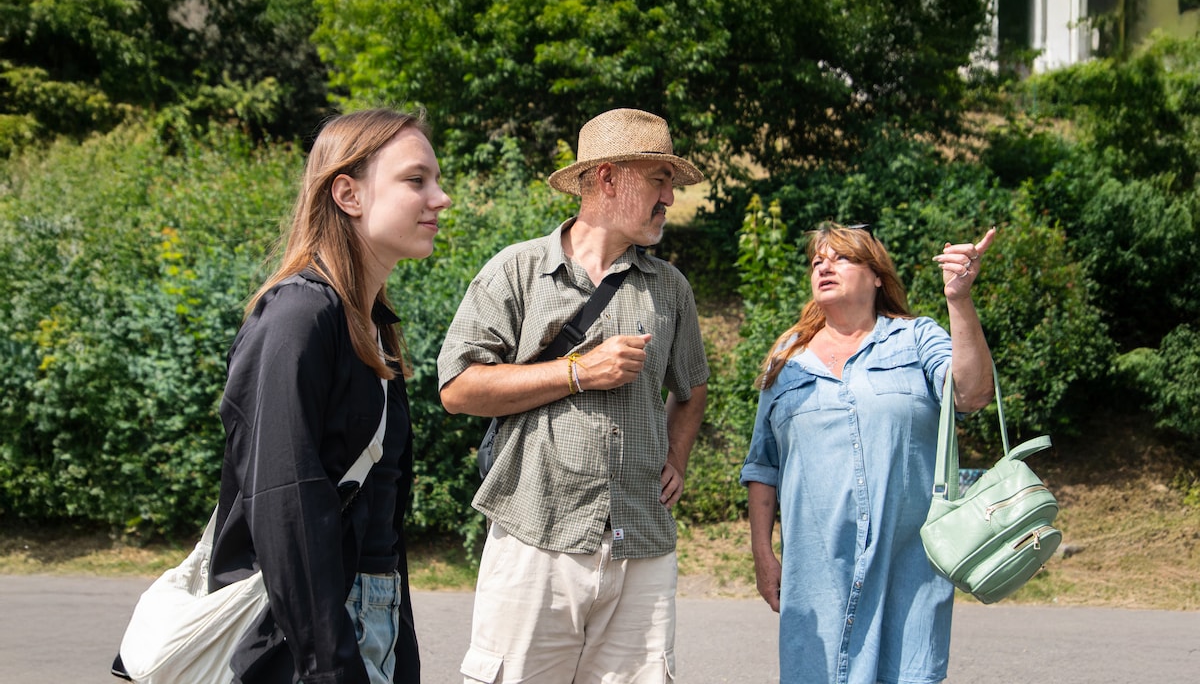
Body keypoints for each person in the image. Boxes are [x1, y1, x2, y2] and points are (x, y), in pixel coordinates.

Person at [437, 107, 711, 684]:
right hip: (534, 537)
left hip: (642, 543)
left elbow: (692, 386)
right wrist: (576, 372)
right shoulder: (516, 271)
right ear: (608, 178)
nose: (670, 197)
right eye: (659, 179)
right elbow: (459, 387)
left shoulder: (670, 288)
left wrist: (678, 458)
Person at [208, 108, 451, 683]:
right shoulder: (299, 316)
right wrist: (329, 666)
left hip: (370, 617)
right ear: (348, 193)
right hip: (311, 637)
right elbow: (285, 504)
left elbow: (377, 519)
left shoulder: (369, 323)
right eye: (416, 181)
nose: (441, 199)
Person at [740, 222, 997, 684]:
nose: (824, 266)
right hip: (816, 574)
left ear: (877, 276)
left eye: (840, 257)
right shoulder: (787, 357)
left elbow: (972, 395)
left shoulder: (917, 338)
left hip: (909, 567)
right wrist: (763, 552)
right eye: (817, 260)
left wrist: (959, 300)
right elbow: (763, 464)